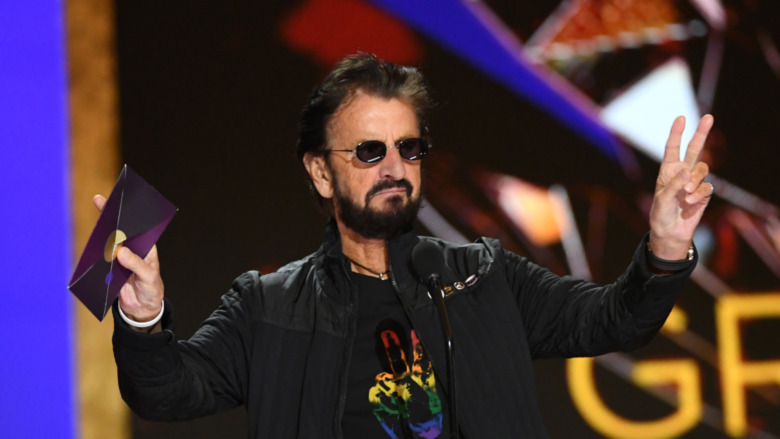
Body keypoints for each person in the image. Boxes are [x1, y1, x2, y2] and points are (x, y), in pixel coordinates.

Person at [101, 53, 715, 438]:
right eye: (369, 151)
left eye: (408, 147)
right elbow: (167, 393)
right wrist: (142, 315)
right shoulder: (269, 306)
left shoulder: (483, 277)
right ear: (320, 172)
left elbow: (614, 320)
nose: (394, 166)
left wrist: (663, 246)